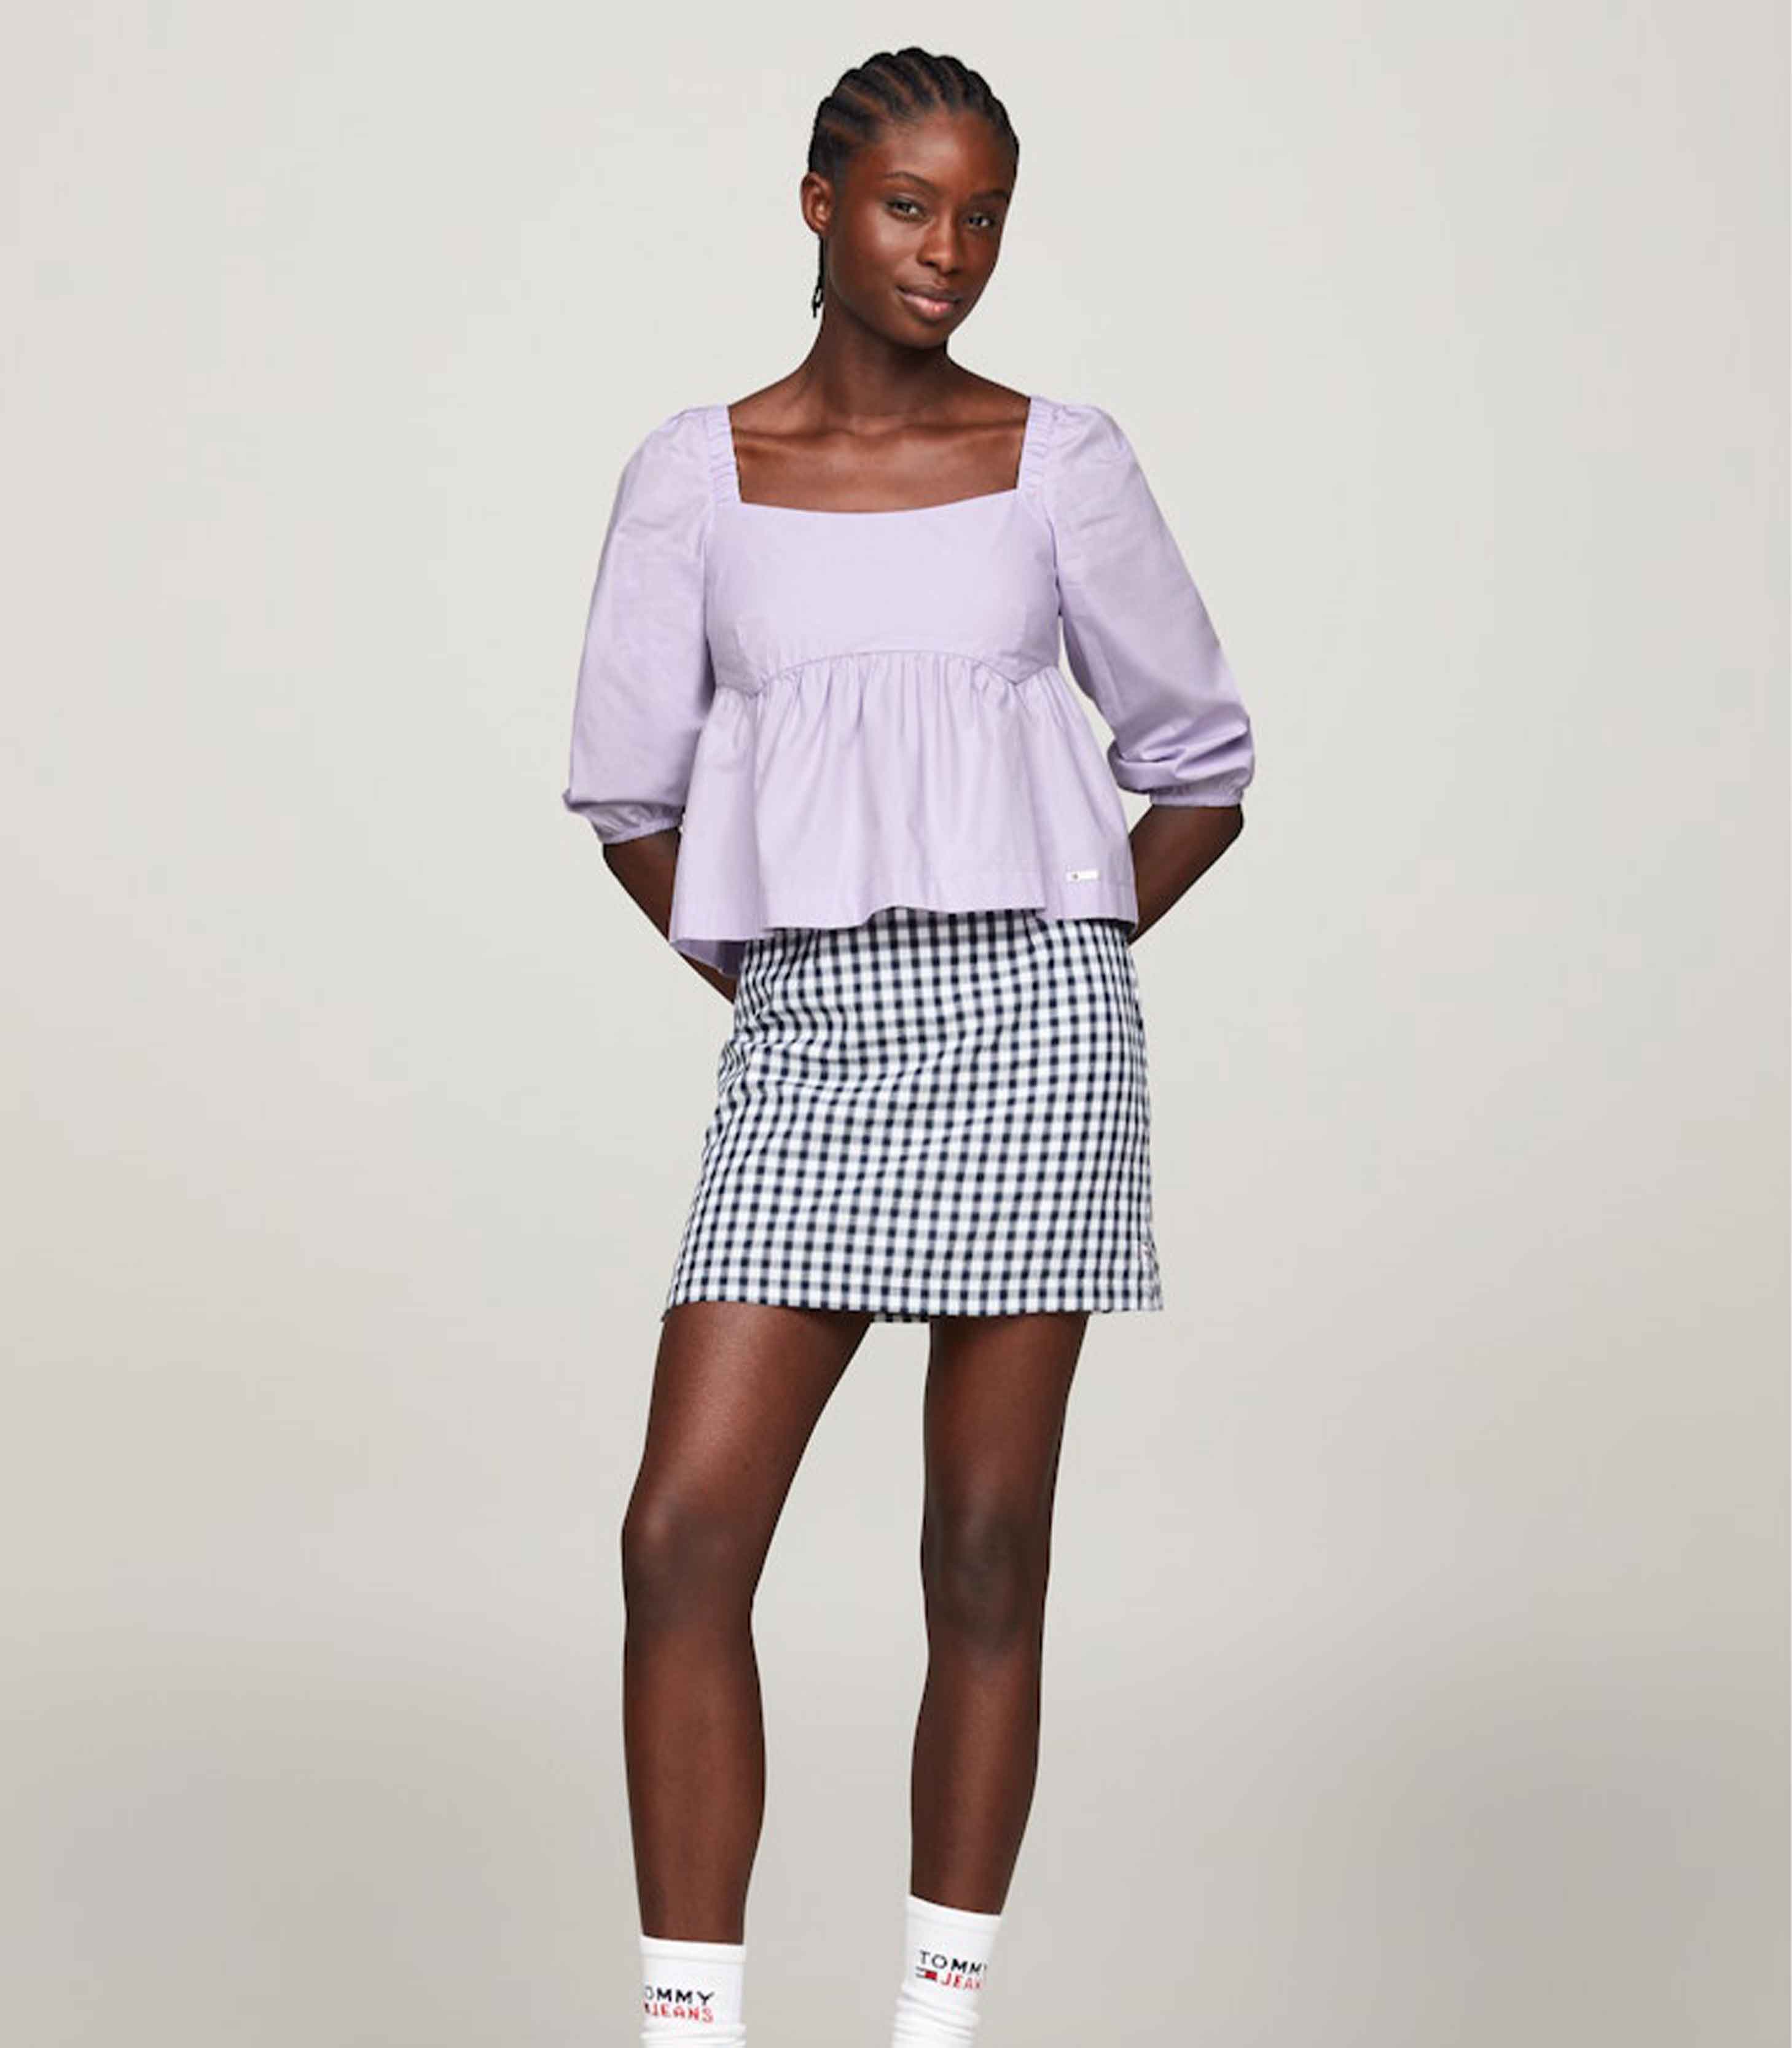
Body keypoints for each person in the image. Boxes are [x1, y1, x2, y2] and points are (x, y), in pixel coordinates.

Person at [560, 45, 1256, 2048]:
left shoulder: (1063, 463)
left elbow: (1200, 766)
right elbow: (629, 797)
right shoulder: (695, 476)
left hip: (1037, 1032)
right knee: (683, 1534)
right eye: (907, 206)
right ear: (817, 207)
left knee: (984, 1546)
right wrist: (790, 983)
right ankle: (691, 2031)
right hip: (814, 1042)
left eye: (983, 218)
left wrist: (1059, 948)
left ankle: (935, 2019)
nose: (948, 250)